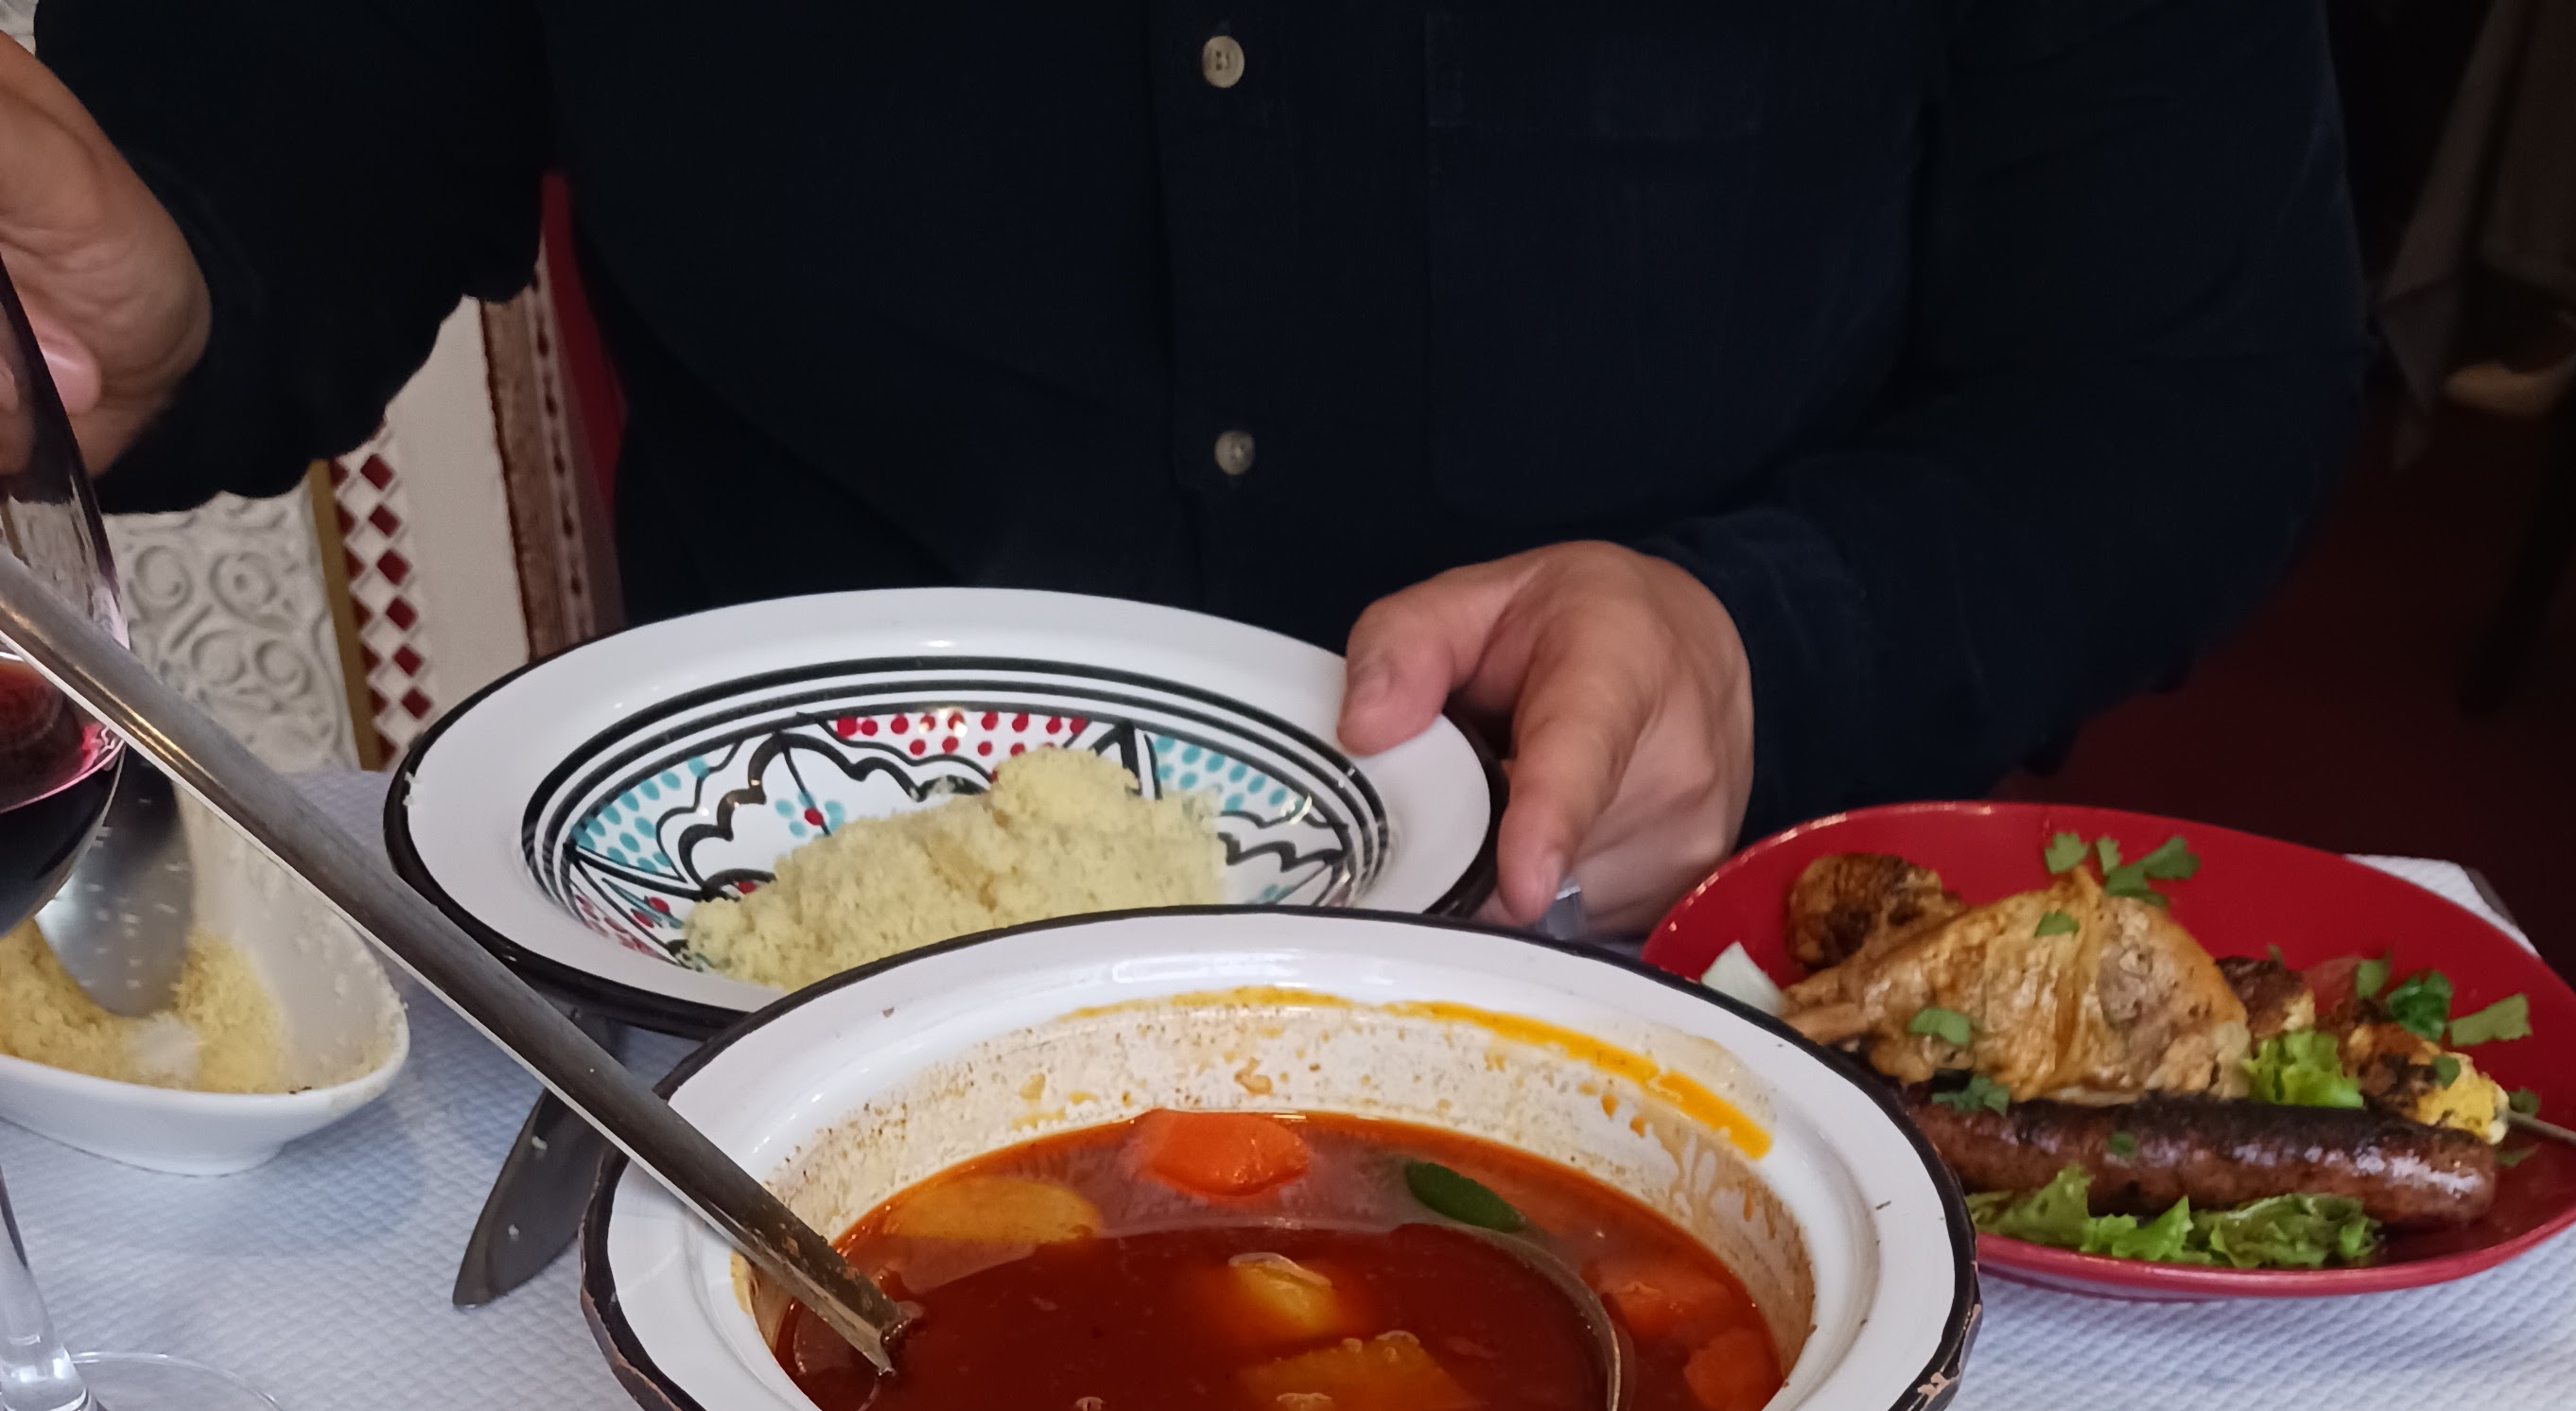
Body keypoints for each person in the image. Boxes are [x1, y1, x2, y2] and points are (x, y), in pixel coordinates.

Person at [0, 2, 2363, 932]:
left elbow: (2198, 384)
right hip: (755, 996)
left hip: (1678, 988)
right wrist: (160, 285)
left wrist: (1762, 636)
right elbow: (288, 140)